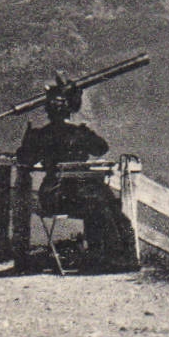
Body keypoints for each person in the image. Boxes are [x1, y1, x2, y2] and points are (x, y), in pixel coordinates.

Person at [15, 76, 136, 270]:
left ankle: (105, 257)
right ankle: (117, 257)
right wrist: (85, 128)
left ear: (48, 111)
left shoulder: (42, 135)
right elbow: (101, 148)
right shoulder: (79, 133)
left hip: (56, 195)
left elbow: (24, 160)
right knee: (106, 204)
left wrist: (27, 139)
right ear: (71, 110)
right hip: (80, 193)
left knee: (98, 204)